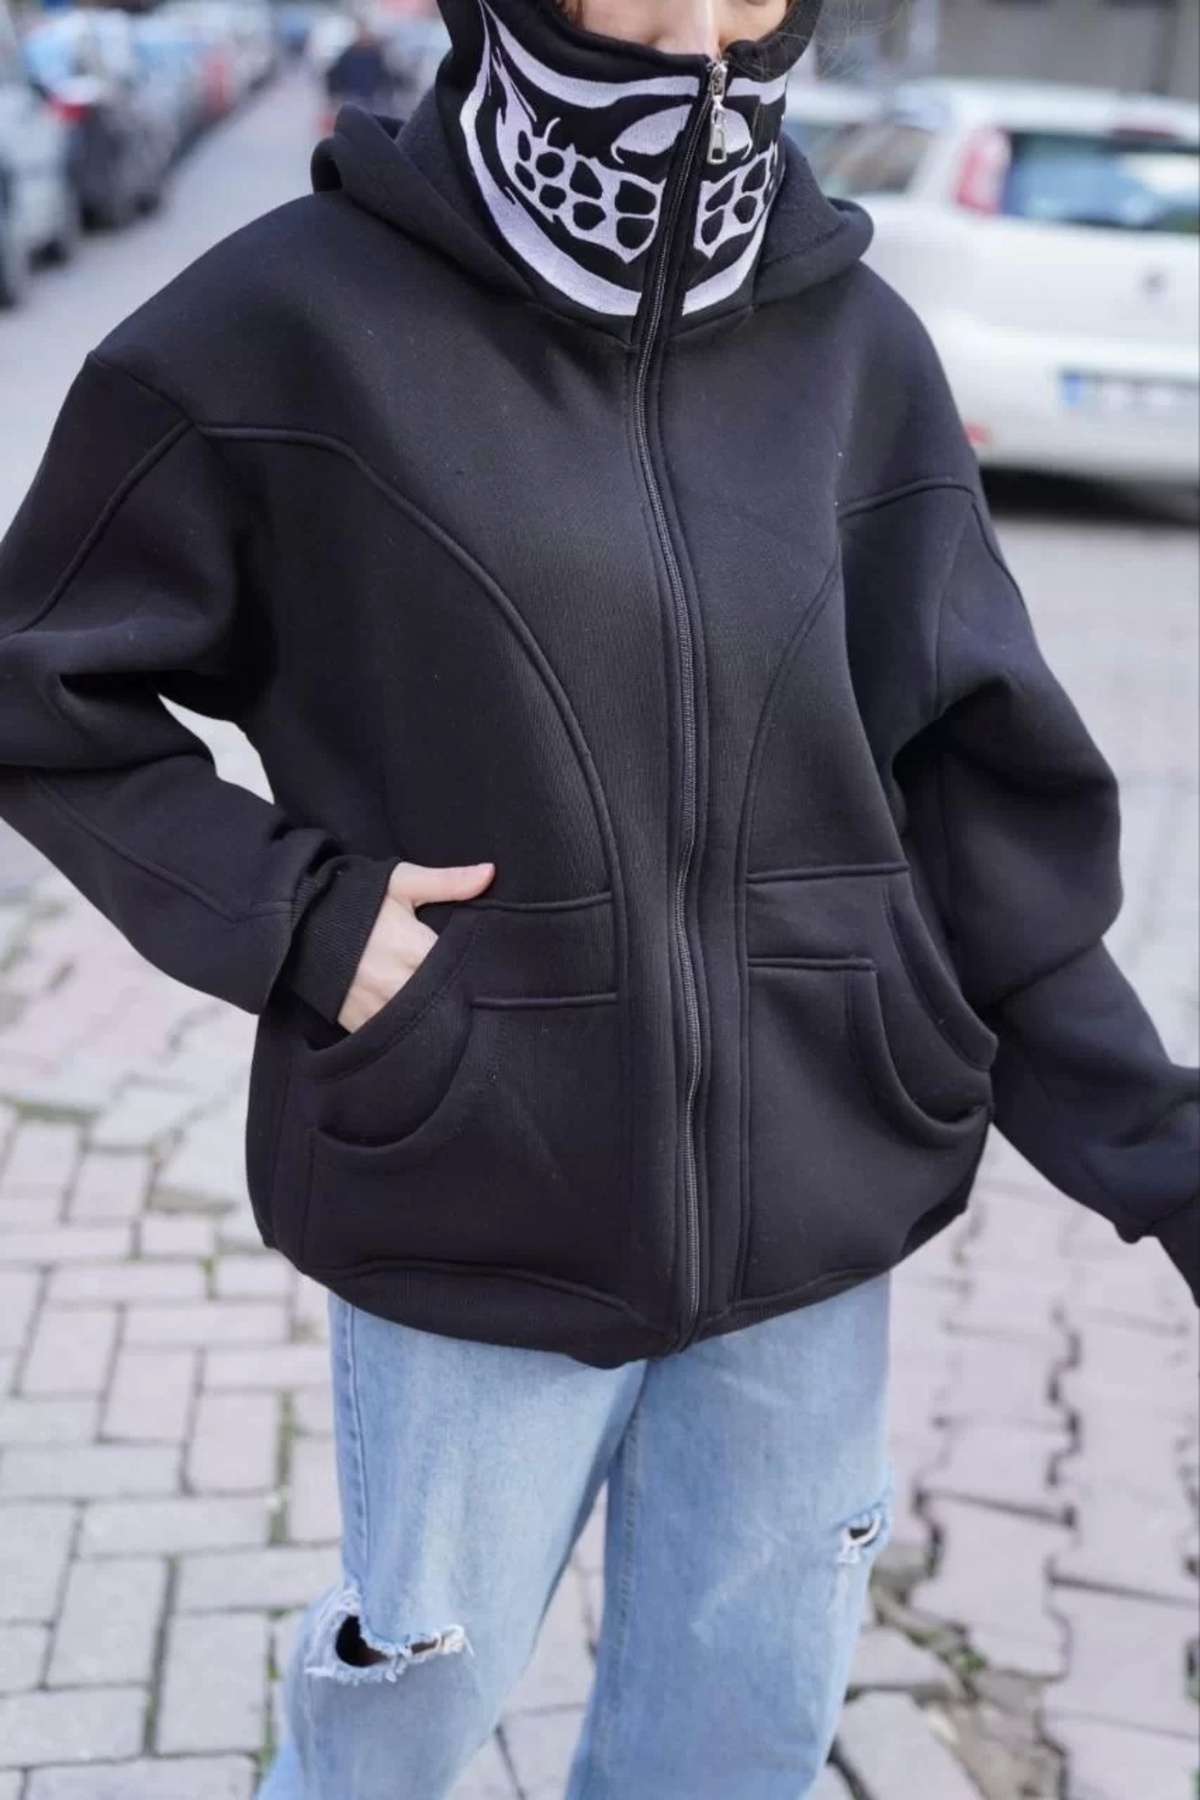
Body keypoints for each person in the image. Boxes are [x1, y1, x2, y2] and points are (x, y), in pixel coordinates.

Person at [0, 0, 1195, 1792]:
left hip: (814, 1213)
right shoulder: (285, 329)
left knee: (737, 1738)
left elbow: (979, 819)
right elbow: (38, 689)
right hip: (470, 1182)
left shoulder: (857, 352)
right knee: (405, 1723)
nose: (700, 34)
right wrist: (299, 918)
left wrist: (1163, 1152)